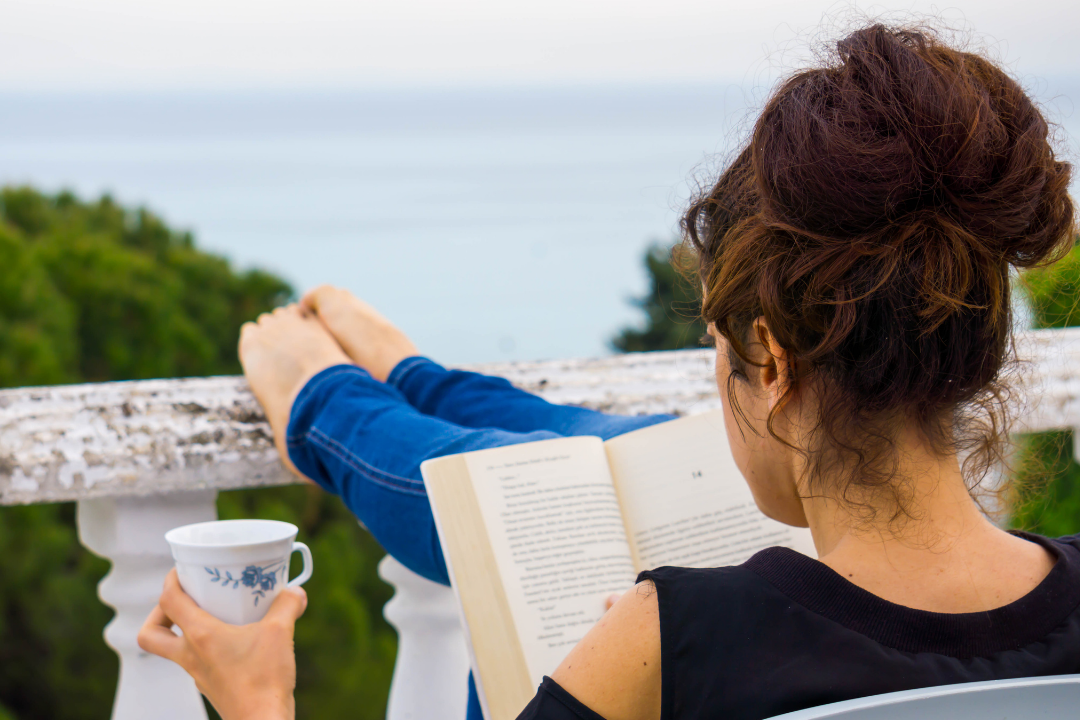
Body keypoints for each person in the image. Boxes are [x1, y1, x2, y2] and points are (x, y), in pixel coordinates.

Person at [137, 22, 1080, 720]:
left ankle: (343, 397)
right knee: (614, 445)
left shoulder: (680, 637)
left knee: (550, 489)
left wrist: (255, 698)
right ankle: (404, 378)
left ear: (772, 360)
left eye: (718, 350)